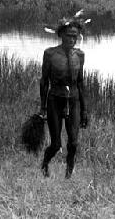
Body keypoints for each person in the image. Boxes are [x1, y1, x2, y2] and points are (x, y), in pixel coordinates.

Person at [39, 18, 88, 179]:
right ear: (61, 35)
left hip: (73, 101)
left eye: (75, 36)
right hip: (55, 100)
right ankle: (45, 165)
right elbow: (44, 81)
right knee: (56, 144)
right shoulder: (50, 54)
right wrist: (43, 107)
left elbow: (80, 83)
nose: (72, 39)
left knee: (73, 143)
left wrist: (84, 110)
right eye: (69, 36)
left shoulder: (80, 55)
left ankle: (69, 173)